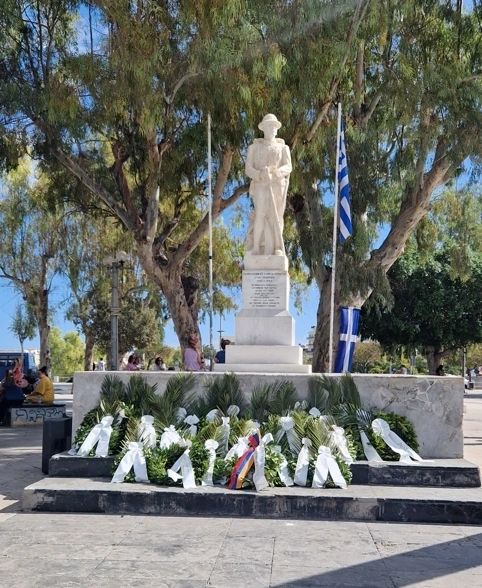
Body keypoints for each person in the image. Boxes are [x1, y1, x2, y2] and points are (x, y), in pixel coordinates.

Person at [245, 113, 292, 258]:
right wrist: (260, 175)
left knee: (276, 216)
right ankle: (256, 247)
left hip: (277, 185)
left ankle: (277, 247)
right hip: (260, 185)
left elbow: (288, 166)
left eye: (274, 126)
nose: (272, 129)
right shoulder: (254, 147)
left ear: (277, 129)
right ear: (263, 128)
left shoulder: (283, 148)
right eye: (269, 126)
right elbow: (248, 169)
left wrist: (276, 173)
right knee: (260, 214)